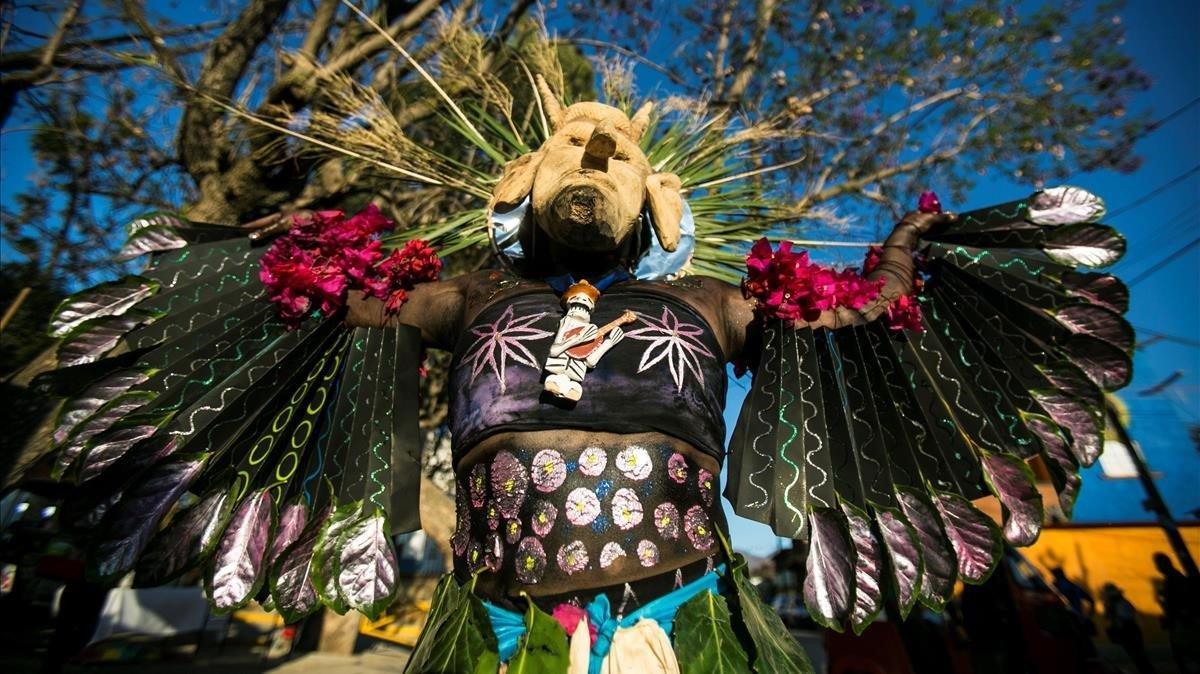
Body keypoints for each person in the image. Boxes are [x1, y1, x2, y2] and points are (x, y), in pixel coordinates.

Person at [1153, 553, 1200, 674]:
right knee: (1183, 653)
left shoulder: (1174, 578)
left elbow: (1183, 601)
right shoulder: (1173, 578)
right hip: (1179, 622)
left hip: (1182, 623)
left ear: (1165, 563)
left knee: (1187, 652)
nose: (1157, 567)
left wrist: (1172, 612)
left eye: (1158, 564)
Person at [1100, 583, 1155, 674]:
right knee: (1137, 656)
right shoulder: (1116, 604)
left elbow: (1125, 618)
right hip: (1128, 631)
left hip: (1129, 631)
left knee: (1139, 656)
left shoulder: (1121, 603)